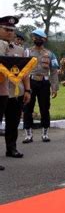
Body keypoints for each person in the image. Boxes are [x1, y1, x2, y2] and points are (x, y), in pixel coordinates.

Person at [0, 15, 32, 160]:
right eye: (6, 29)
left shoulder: (20, 51)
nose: (10, 33)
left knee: (13, 122)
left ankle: (11, 148)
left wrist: (27, 89)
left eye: (12, 30)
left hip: (15, 91)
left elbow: (25, 72)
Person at [23, 29, 59, 143]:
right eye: (35, 37)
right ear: (32, 38)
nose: (37, 39)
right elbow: (22, 71)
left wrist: (54, 87)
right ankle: (28, 134)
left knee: (45, 108)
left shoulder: (50, 54)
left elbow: (54, 71)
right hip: (30, 82)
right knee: (28, 108)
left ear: (44, 40)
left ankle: (45, 133)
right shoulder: (27, 52)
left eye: (40, 38)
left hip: (44, 82)